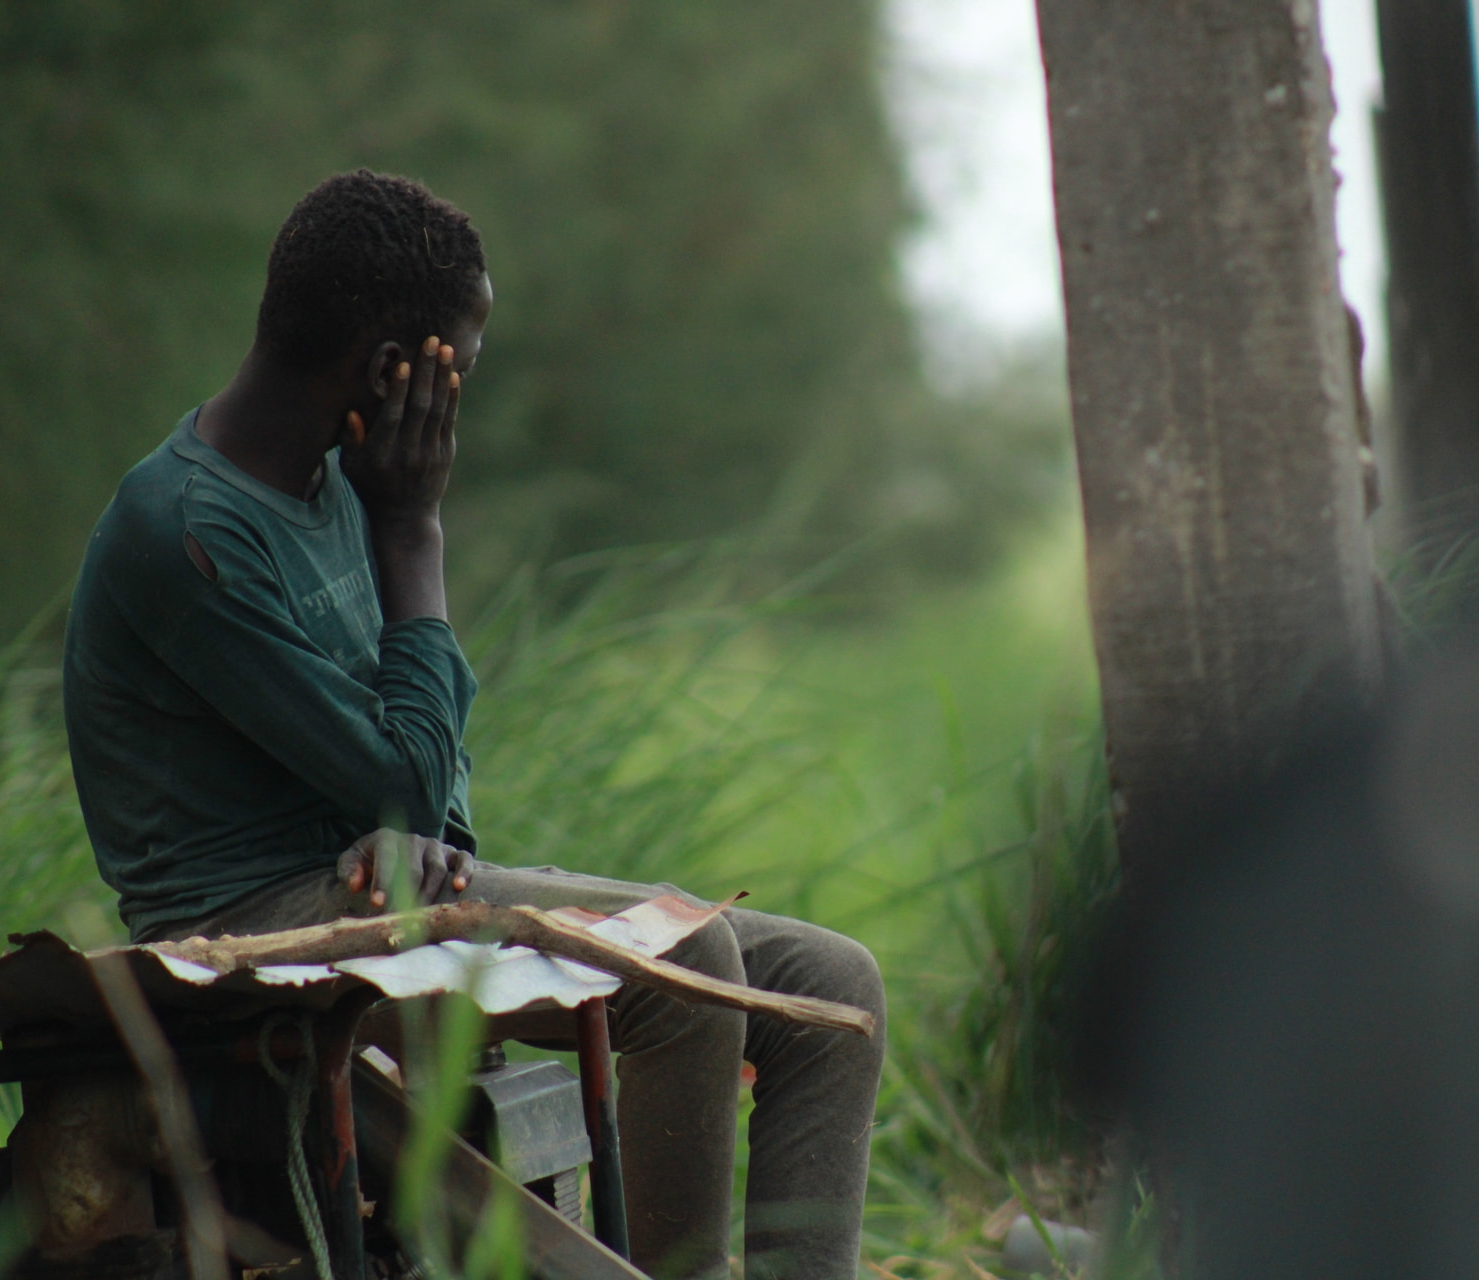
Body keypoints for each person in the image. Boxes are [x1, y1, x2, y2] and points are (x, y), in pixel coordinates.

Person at [61, 169, 885, 1280]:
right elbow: (400, 775)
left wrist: (427, 828)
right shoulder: (189, 530)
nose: (463, 398)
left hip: (375, 875)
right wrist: (415, 532)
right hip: (242, 926)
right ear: (395, 370)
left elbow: (426, 788)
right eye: (464, 363)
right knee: (691, 959)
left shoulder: (335, 481)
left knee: (834, 984)